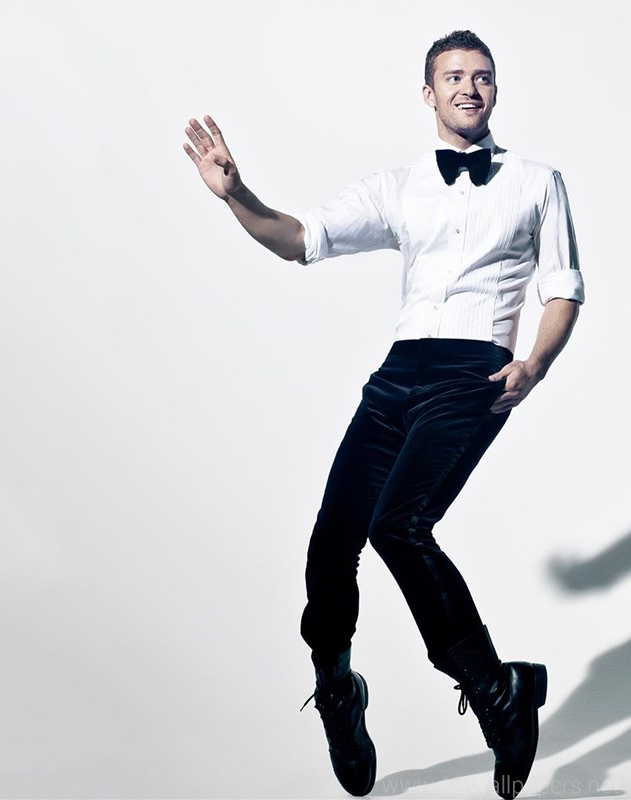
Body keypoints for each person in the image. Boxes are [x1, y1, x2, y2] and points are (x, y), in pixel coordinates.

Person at [181, 30, 584, 800]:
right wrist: (236, 193)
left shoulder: (537, 183)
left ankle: (496, 692)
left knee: (399, 526)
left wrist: (532, 364)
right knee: (332, 541)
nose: (469, 88)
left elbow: (563, 288)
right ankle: (338, 689)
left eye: (482, 77)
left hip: (474, 372)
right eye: (453, 77)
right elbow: (299, 240)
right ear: (428, 93)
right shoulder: (399, 188)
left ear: (496, 91)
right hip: (398, 375)